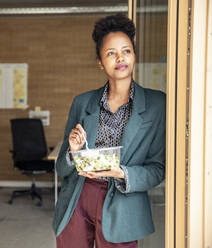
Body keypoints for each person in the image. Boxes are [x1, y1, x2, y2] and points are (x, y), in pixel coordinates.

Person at [52, 14, 166, 248]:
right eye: (111, 53)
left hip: (123, 203)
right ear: (100, 62)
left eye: (126, 51)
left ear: (134, 55)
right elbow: (61, 169)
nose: (120, 58)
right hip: (78, 197)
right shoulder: (82, 103)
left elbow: (157, 169)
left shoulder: (156, 105)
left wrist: (121, 173)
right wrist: (72, 152)